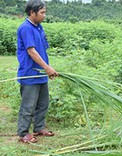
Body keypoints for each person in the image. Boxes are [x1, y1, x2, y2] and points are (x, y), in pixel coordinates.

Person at [16, 0, 58, 143]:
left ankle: (39, 127)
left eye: (44, 12)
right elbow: (31, 51)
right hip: (30, 73)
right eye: (42, 13)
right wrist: (47, 68)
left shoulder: (39, 28)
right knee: (28, 106)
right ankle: (23, 133)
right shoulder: (25, 28)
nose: (44, 16)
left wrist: (46, 68)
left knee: (43, 103)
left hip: (41, 74)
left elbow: (41, 49)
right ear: (32, 12)